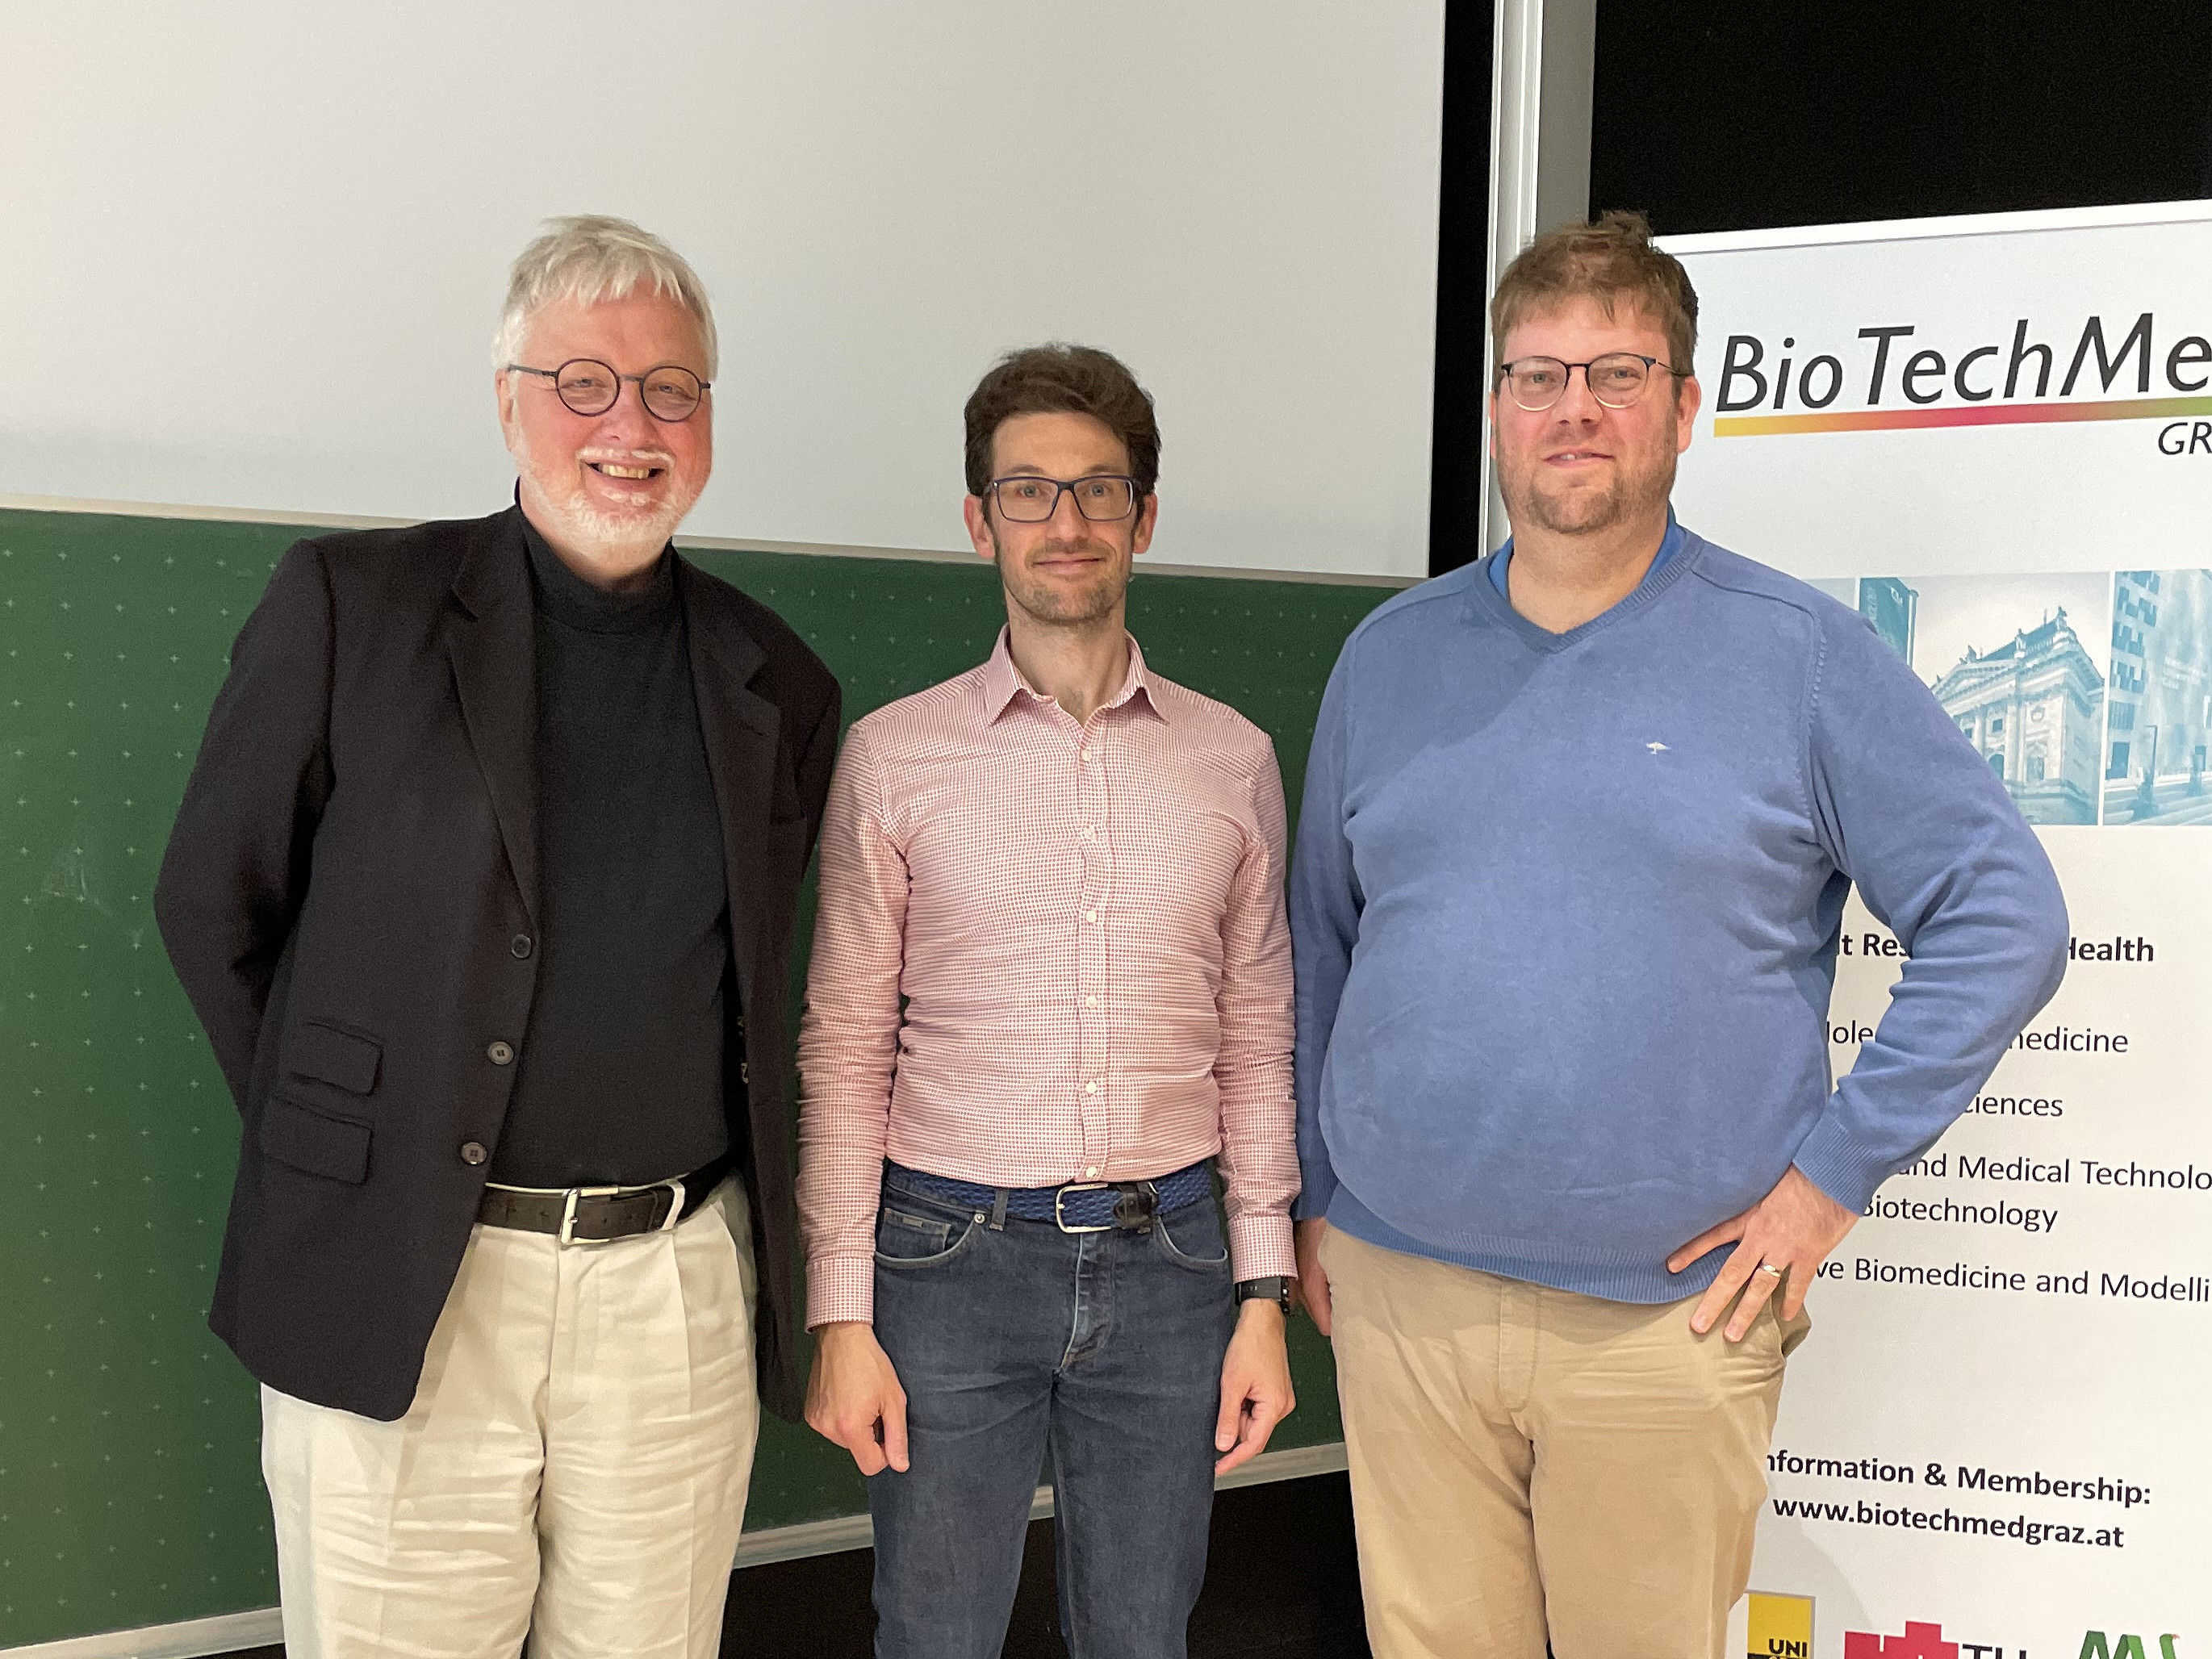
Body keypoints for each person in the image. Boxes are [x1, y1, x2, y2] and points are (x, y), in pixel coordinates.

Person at [1288, 211, 2069, 1657]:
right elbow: (1319, 944)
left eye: (1618, 372)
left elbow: (2002, 912)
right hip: (1400, 1303)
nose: (1572, 409)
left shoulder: (1797, 655)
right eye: (1536, 376)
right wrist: (1320, 1192)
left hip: (1665, 1329)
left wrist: (1829, 1181)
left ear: (1685, 409)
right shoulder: (1386, 659)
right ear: (1494, 415)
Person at [154, 215, 840, 1659]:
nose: (629, 425)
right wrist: (347, 1141)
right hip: (403, 1271)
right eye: (582, 381)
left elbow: (768, 992)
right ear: (507, 398)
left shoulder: (776, 676)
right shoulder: (352, 607)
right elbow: (216, 901)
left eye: (672, 389)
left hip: (674, 1289)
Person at [797, 343, 1299, 1659]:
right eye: (1027, 491)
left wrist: (1265, 1289)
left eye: (1097, 489)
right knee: (935, 1636)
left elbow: (1256, 1039)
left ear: (1143, 517)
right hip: (944, 1262)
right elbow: (845, 1047)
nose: (1063, 522)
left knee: (1143, 1637)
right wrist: (840, 1312)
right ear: (978, 523)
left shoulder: (1233, 759)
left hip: (1178, 1264)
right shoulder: (893, 757)